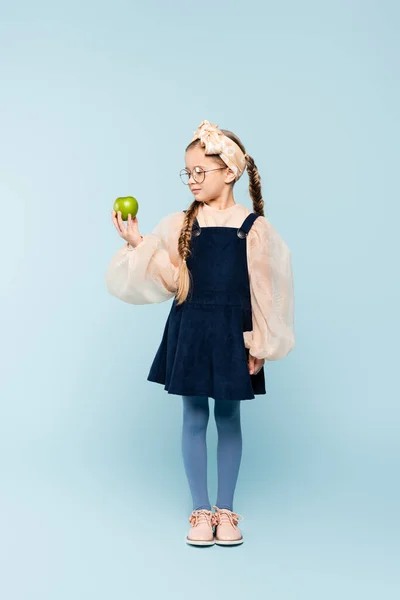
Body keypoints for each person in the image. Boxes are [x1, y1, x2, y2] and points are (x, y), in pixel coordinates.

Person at [105, 119, 295, 547]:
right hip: (190, 327)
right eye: (186, 172)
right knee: (193, 416)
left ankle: (226, 511)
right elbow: (173, 281)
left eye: (199, 172)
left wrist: (260, 343)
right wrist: (139, 243)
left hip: (233, 332)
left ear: (229, 172)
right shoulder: (178, 224)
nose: (191, 180)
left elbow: (267, 291)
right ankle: (200, 510)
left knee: (228, 417)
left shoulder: (253, 227)